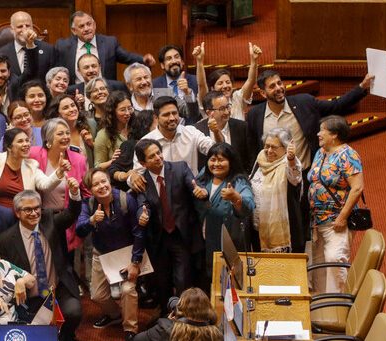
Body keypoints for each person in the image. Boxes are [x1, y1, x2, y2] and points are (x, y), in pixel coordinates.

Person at [246, 70, 372, 252]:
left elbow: (336, 106)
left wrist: (362, 88)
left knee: (303, 227)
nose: (279, 88)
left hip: (304, 177)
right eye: (272, 86)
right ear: (263, 93)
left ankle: (304, 266)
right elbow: (252, 152)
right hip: (273, 184)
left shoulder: (304, 102)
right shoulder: (255, 115)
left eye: (280, 83)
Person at [0, 189, 82, 341]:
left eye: (37, 208)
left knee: (73, 312)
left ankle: (66, 337)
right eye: (28, 209)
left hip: (58, 289)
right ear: (17, 213)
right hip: (29, 297)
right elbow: (2, 270)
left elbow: (71, 214)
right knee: (36, 332)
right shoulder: (6, 240)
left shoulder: (49, 221)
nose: (34, 213)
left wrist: (75, 194)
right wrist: (18, 282)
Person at [76, 169, 147, 341]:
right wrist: (91, 220)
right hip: (102, 253)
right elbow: (79, 230)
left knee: (128, 289)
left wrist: (135, 262)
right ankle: (115, 314)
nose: (102, 186)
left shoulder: (125, 199)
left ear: (109, 181)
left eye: (104, 181)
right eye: (96, 184)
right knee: (97, 295)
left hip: (127, 253)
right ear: (90, 189)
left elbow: (139, 232)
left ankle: (130, 329)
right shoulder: (88, 204)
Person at [134, 139, 204, 312]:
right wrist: (142, 215)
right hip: (159, 238)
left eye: (159, 152)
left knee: (182, 280)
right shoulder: (142, 181)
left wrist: (200, 190)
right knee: (162, 282)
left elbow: (192, 183)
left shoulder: (180, 168)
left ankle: (184, 317)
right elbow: (142, 205)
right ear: (143, 163)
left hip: (181, 235)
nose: (158, 157)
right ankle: (166, 318)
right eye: (152, 156)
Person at [308, 116, 364, 294]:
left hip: (336, 221)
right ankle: (322, 309)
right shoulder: (320, 152)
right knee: (319, 265)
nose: (318, 133)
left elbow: (357, 188)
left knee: (334, 261)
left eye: (322, 130)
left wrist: (342, 218)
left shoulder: (348, 155)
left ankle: (339, 306)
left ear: (334, 135)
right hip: (317, 221)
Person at [128, 96, 221, 193]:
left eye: (174, 113)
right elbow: (137, 174)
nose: (172, 118)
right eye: (166, 115)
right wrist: (132, 177)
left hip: (193, 190)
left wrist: (216, 132)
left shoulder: (191, 132)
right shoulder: (147, 141)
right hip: (164, 196)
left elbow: (216, 149)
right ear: (156, 117)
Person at [193, 143, 255, 278]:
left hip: (229, 242)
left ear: (231, 162)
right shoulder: (204, 177)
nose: (216, 164)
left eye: (221, 160)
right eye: (213, 159)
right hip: (203, 243)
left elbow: (248, 204)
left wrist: (235, 197)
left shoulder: (238, 181)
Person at [0, 128, 70, 209]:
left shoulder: (32, 166)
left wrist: (60, 170)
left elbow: (46, 185)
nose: (26, 144)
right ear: (9, 147)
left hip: (22, 218)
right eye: (20, 141)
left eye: (27, 140)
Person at [30, 118, 89, 252]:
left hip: (67, 221)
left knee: (66, 264)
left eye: (67, 133)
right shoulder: (34, 155)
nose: (66, 137)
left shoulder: (79, 160)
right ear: (48, 139)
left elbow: (86, 193)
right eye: (60, 134)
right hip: (41, 219)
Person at [55, 11, 155, 84]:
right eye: (81, 26)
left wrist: (143, 59)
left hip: (105, 93)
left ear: (94, 25)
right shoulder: (63, 46)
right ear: (74, 30)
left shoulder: (109, 43)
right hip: (77, 94)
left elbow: (127, 57)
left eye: (89, 24)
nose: (87, 29)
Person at [249, 127, 303, 253]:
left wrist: (291, 159)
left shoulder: (290, 164)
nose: (269, 150)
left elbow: (295, 178)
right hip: (258, 229)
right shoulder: (260, 160)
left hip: (284, 232)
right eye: (267, 146)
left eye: (274, 147)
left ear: (285, 149)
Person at [193, 42, 261, 120]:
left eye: (228, 82)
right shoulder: (208, 101)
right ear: (212, 88)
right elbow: (201, 85)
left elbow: (251, 81)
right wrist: (199, 62)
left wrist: (254, 61)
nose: (225, 86)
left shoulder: (237, 98)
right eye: (220, 83)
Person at [124, 63, 200, 125]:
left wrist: (187, 93)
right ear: (129, 85)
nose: (144, 82)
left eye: (146, 77)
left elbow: (190, 113)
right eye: (139, 79)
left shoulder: (166, 93)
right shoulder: (127, 106)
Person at [133, 288, 221, 341]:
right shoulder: (216, 334)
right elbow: (173, 301)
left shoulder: (166, 329)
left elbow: (136, 339)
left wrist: (171, 321)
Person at [195, 91, 251, 173]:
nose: (227, 112)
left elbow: (249, 159)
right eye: (222, 109)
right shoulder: (197, 130)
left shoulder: (242, 127)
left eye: (228, 107)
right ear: (209, 112)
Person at [0, 11, 55, 83]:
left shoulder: (49, 50)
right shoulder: (1, 53)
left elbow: (53, 79)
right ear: (12, 29)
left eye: (28, 26)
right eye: (20, 26)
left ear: (32, 27)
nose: (24, 30)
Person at [109, 110, 157, 191]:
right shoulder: (130, 145)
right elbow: (113, 170)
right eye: (157, 124)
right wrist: (127, 175)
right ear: (146, 126)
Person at [46, 94, 97, 168]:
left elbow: (102, 155)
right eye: (66, 108)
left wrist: (92, 144)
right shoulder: (53, 133)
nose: (72, 109)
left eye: (73, 105)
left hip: (91, 175)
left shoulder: (91, 125)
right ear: (57, 114)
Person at [94, 91, 133, 169]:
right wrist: (112, 161)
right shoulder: (103, 135)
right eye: (122, 110)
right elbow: (97, 166)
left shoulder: (136, 127)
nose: (128, 113)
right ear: (112, 112)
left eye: (129, 108)